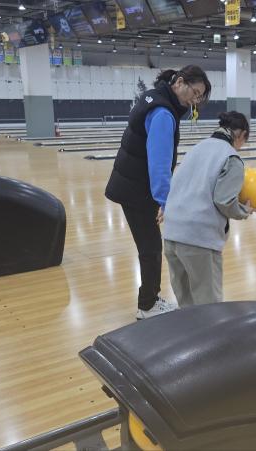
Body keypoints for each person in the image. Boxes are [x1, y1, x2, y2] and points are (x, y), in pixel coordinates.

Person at [105, 65, 211, 320]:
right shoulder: (163, 113)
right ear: (180, 82)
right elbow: (159, 165)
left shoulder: (155, 97)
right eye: (195, 93)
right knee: (151, 248)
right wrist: (166, 201)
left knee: (150, 246)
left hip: (131, 184)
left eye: (199, 98)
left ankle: (150, 299)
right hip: (136, 190)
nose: (195, 101)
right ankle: (147, 305)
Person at [162, 111, 255, 308]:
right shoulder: (231, 157)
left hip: (171, 233)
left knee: (186, 305)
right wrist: (244, 210)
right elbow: (224, 201)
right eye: (244, 141)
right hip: (198, 239)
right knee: (209, 308)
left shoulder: (197, 148)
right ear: (241, 134)